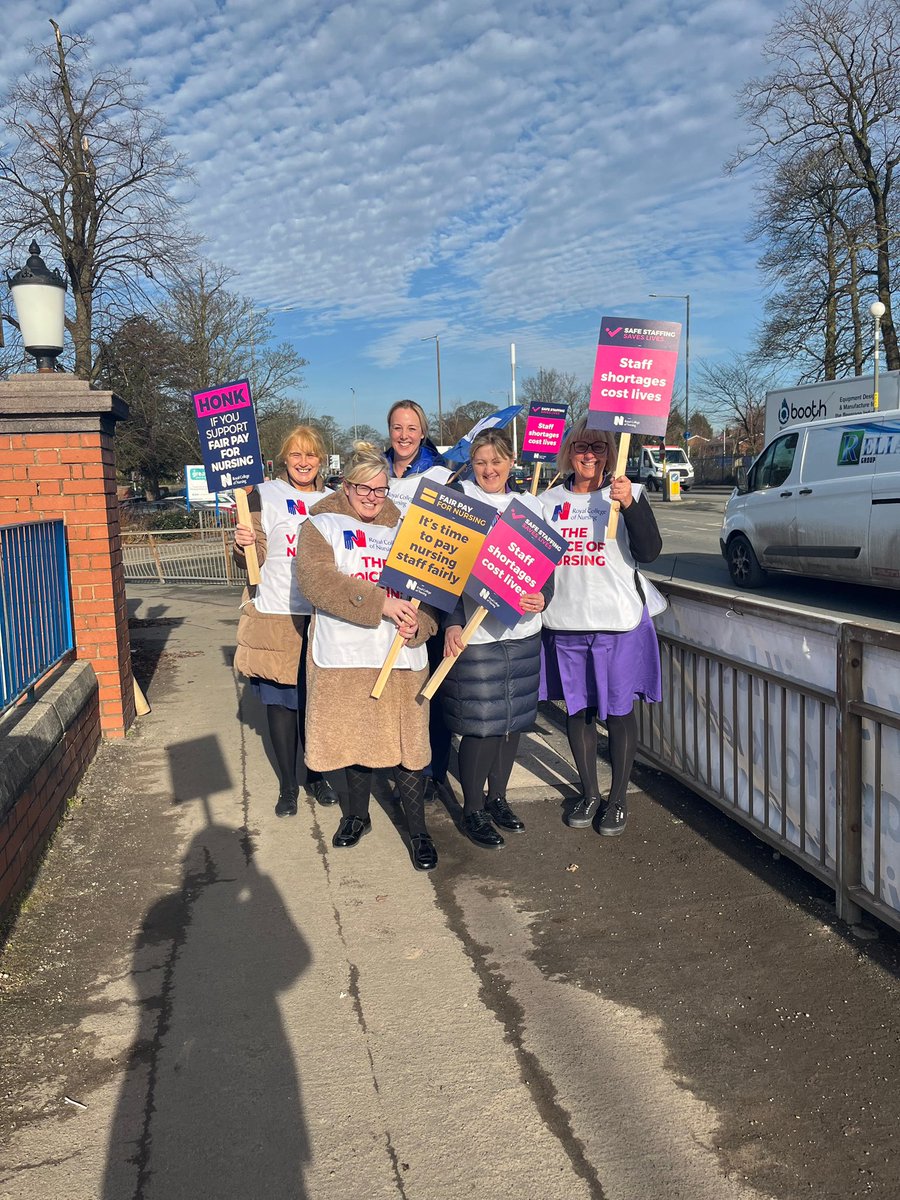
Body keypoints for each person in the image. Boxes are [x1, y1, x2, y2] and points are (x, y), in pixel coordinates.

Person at [296, 442, 440, 871]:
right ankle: (357, 816)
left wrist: (423, 625)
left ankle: (419, 833)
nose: (372, 498)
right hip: (344, 657)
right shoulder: (319, 524)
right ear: (347, 484)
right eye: (364, 489)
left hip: (399, 659)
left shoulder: (408, 528)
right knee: (354, 742)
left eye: (380, 490)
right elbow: (317, 581)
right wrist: (380, 603)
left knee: (407, 748)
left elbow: (433, 592)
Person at [538, 417, 664, 836]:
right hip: (567, 621)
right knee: (579, 709)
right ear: (568, 451)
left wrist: (630, 505)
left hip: (618, 622)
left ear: (611, 452)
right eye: (580, 446)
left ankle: (619, 798)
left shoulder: (627, 493)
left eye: (598, 446)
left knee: (620, 711)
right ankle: (590, 791)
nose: (589, 454)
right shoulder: (547, 500)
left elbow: (650, 551)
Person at [440, 428, 553, 849]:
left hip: (523, 632)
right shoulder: (462, 502)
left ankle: (498, 798)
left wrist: (545, 597)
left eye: (497, 461)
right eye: (482, 461)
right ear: (473, 463)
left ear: (512, 462)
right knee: (481, 725)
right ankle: (472, 809)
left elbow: (547, 569)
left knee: (512, 723)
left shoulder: (531, 506)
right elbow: (443, 570)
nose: (490, 469)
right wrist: (452, 621)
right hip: (476, 633)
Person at [234, 426, 339, 816]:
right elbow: (254, 556)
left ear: (321, 459)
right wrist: (243, 545)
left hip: (321, 615)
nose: (303, 462)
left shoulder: (333, 500)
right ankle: (287, 784)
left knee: (317, 701)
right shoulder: (263, 494)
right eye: (296, 454)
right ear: (284, 459)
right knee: (281, 703)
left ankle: (316, 776)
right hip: (277, 612)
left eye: (311, 455)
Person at [384, 399, 453, 791]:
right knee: (395, 685)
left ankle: (433, 770)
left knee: (430, 689)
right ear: (389, 431)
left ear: (422, 432)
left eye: (412, 428)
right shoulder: (377, 471)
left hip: (428, 596)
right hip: (387, 592)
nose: (405, 435)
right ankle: (395, 761)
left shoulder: (442, 476)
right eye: (398, 428)